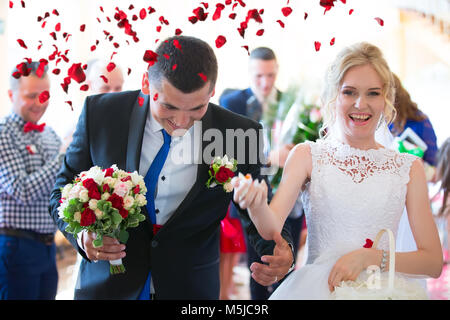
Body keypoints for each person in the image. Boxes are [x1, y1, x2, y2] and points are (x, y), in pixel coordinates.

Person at [48, 35, 295, 300]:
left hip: (191, 288)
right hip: (108, 287)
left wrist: (282, 251)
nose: (181, 122)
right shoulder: (101, 113)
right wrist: (82, 236)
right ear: (146, 83)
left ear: (212, 91)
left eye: (197, 108)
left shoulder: (239, 132)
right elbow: (61, 190)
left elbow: (260, 204)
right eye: (168, 106)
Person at [232, 42, 443, 299]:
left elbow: (432, 262)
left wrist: (371, 258)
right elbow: (271, 228)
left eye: (373, 93)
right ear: (334, 95)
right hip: (318, 289)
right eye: (349, 92)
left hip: (385, 291)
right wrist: (256, 204)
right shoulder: (307, 156)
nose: (360, 104)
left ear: (385, 97)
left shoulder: (409, 168)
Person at [220, 47, 303, 300]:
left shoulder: (293, 104)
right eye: (259, 76)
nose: (265, 82)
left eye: (270, 75)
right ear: (249, 74)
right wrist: (269, 159)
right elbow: (230, 154)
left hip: (290, 195)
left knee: (287, 263)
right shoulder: (232, 103)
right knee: (258, 267)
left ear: (277, 71)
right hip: (251, 197)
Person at [0, 61, 67, 299]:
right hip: (16, 245)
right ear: (11, 95)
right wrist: (62, 156)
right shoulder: (3, 132)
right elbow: (22, 191)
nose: (40, 102)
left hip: (48, 247)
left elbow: (60, 188)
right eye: (31, 96)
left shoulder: (50, 134)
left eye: (45, 95)